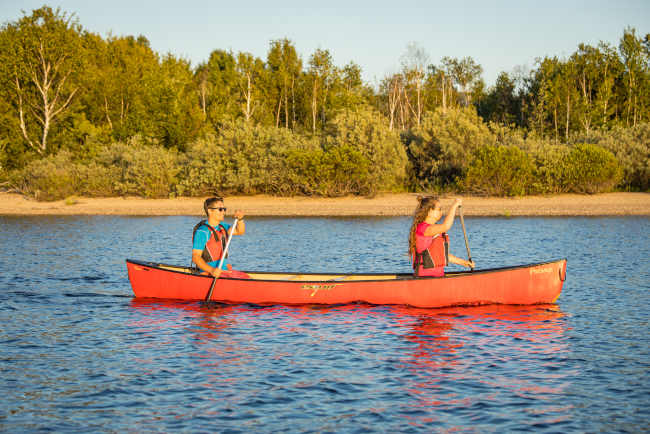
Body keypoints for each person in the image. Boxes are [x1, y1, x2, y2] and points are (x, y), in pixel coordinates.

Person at [409, 196, 476, 278]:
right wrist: (454, 206)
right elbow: (446, 226)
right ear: (430, 211)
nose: (442, 212)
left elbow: (441, 254)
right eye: (439, 209)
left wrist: (463, 262)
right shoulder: (422, 228)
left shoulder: (436, 229)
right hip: (424, 277)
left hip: (439, 276)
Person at [192, 197, 250, 279]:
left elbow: (240, 231)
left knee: (248, 279)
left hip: (225, 271)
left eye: (224, 209)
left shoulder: (223, 227)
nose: (223, 211)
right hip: (210, 273)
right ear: (209, 211)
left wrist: (240, 219)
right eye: (220, 209)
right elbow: (195, 257)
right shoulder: (202, 231)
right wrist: (212, 270)